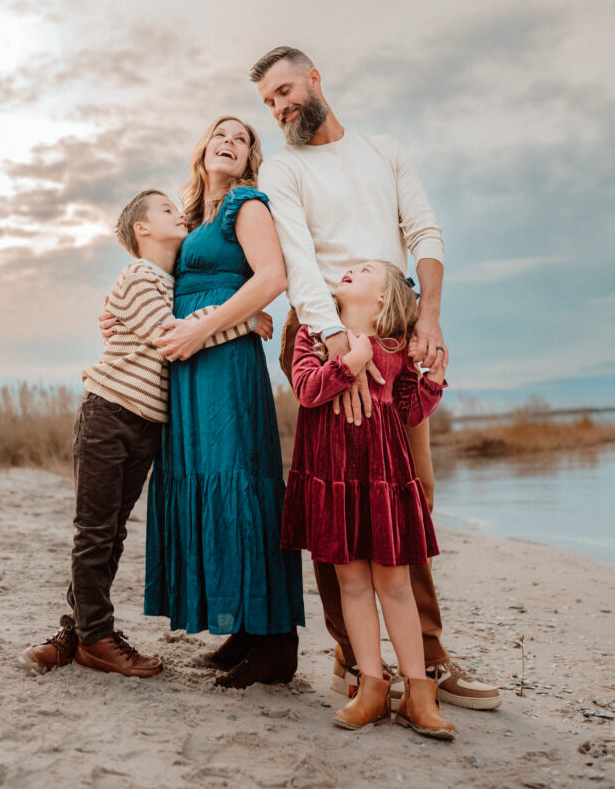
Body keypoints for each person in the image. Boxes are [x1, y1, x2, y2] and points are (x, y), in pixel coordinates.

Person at [253, 45, 501, 710]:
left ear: (314, 78)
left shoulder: (381, 150)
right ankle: (352, 656)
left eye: (284, 90)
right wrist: (339, 346)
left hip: (397, 333)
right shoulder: (279, 168)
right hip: (322, 336)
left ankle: (429, 657)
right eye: (268, 102)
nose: (279, 106)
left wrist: (432, 319)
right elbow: (298, 259)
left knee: (406, 490)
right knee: (333, 496)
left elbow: (423, 229)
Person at [21, 189, 259, 678]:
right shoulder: (140, 274)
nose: (180, 214)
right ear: (141, 230)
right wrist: (243, 320)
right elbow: (172, 338)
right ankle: (96, 638)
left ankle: (79, 632)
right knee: (94, 532)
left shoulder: (167, 281)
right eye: (167, 210)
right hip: (108, 414)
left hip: (145, 424)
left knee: (110, 534)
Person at [144, 116, 305, 689]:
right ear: (204, 148)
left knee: (237, 479)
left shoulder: (246, 204)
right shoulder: (193, 218)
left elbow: (272, 278)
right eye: (222, 134)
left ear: (249, 157)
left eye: (243, 138)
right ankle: (246, 627)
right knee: (203, 477)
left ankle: (275, 642)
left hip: (223, 363)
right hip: (192, 366)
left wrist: (199, 329)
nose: (231, 141)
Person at [282, 260, 455, 738]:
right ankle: (372, 688)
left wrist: (433, 382)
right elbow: (306, 390)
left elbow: (406, 410)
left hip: (382, 481)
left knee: (395, 583)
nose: (349, 270)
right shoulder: (312, 339)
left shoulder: (396, 348)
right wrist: (348, 364)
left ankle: (419, 692)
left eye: (364, 269)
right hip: (332, 479)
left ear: (385, 297)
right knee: (351, 583)